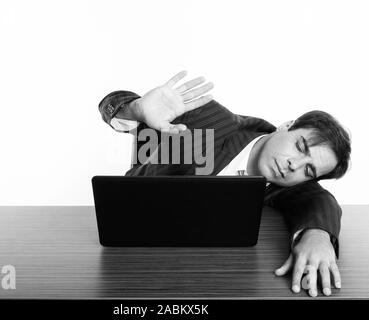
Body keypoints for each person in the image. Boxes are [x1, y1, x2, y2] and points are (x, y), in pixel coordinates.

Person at [98, 71, 351, 297]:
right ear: (287, 126)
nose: (293, 165)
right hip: (132, 253)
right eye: (300, 146)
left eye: (308, 169)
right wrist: (135, 109)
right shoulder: (207, 117)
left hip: (210, 279)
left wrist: (318, 236)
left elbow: (320, 200)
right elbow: (111, 104)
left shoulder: (288, 185)